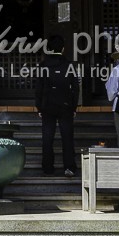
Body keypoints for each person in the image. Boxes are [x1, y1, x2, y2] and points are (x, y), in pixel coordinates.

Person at [33, 34, 81, 176]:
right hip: (65, 104)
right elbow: (75, 88)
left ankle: (48, 167)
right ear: (63, 48)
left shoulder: (43, 65)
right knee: (67, 137)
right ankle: (69, 167)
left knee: (47, 137)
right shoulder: (70, 65)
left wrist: (39, 106)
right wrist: (74, 106)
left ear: (48, 48)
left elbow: (38, 88)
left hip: (48, 104)